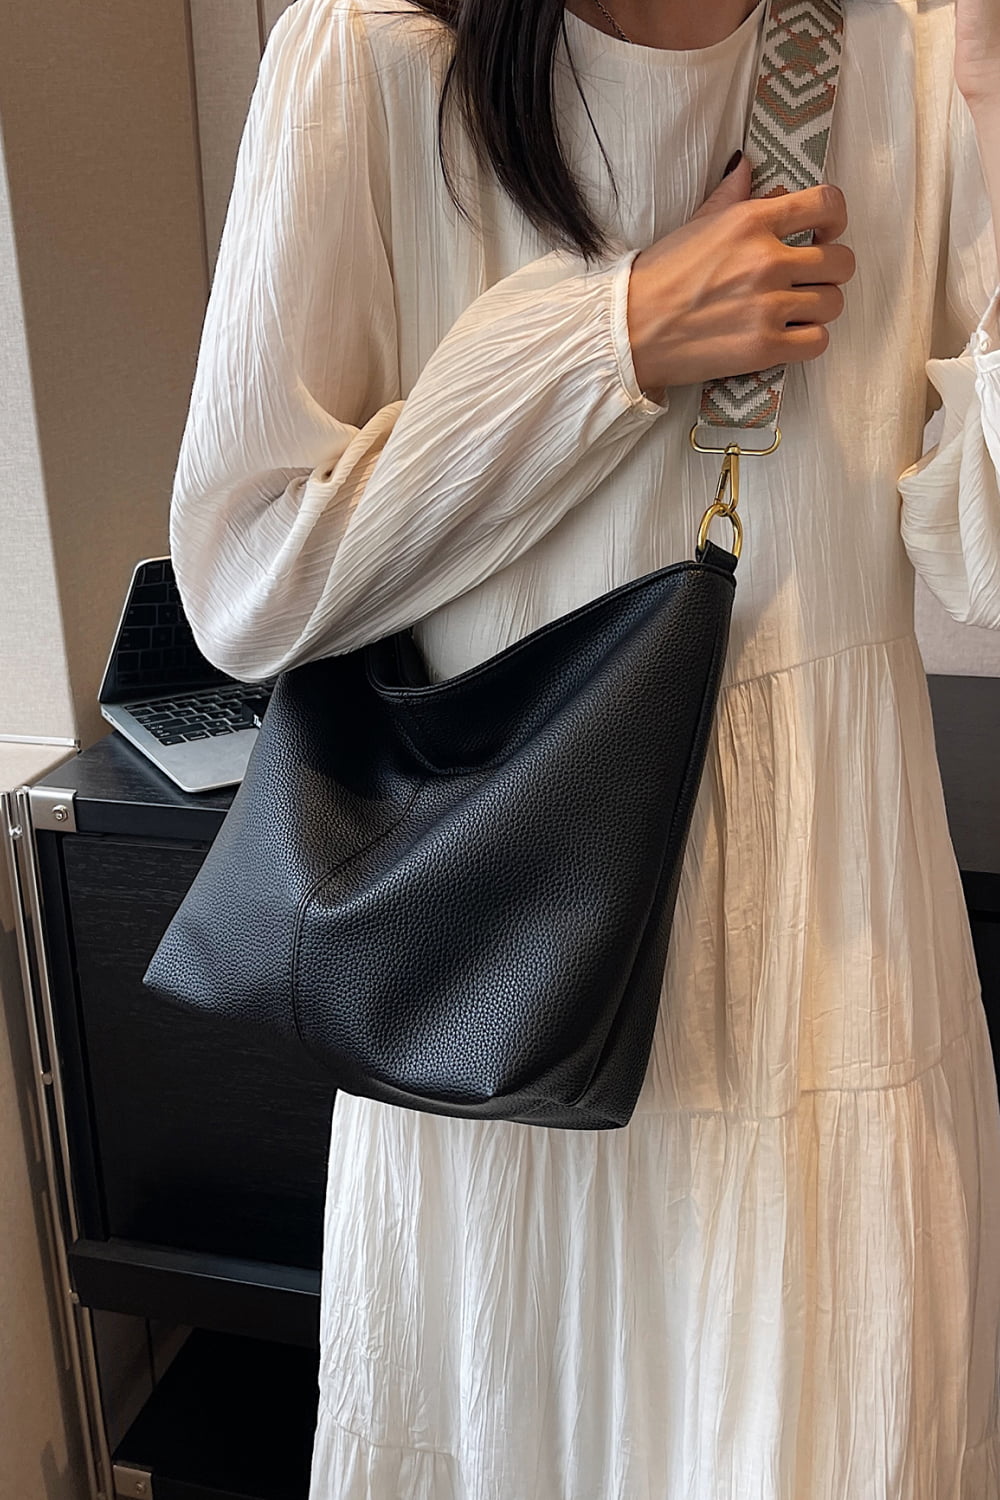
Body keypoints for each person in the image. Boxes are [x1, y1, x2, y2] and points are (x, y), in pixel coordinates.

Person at [168, 0, 1000, 1491]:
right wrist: (613, 336)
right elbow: (245, 580)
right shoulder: (372, 55)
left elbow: (986, 566)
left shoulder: (924, 54)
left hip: (831, 1006)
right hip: (501, 1019)